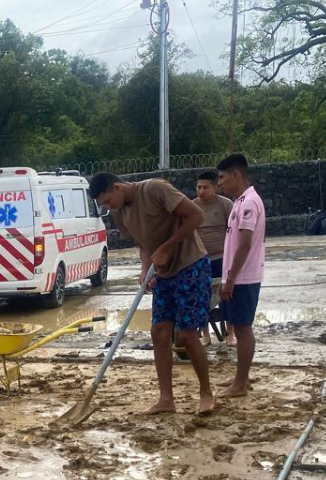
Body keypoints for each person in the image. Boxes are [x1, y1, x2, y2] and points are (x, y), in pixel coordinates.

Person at [89, 172, 214, 415]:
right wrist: (146, 268)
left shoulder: (156, 189)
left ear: (117, 187)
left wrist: (166, 248)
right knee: (158, 332)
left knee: (187, 335)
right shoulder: (119, 212)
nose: (107, 207)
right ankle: (166, 399)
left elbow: (196, 216)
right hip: (163, 273)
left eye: (106, 201)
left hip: (191, 265)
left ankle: (206, 393)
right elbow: (144, 243)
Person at [215, 154, 266, 398]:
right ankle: (239, 378)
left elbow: (244, 245)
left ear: (236, 175)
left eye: (223, 177)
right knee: (236, 325)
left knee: (243, 329)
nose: (220, 183)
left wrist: (232, 278)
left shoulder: (248, 203)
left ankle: (241, 383)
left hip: (244, 278)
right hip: (236, 276)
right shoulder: (240, 201)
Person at [192, 170, 234, 346]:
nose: (201, 191)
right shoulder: (191, 206)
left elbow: (234, 232)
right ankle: (205, 334)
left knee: (228, 295)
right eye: (199, 187)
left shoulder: (226, 205)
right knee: (200, 297)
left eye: (206, 187)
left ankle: (231, 334)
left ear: (215, 187)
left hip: (222, 258)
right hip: (199, 259)